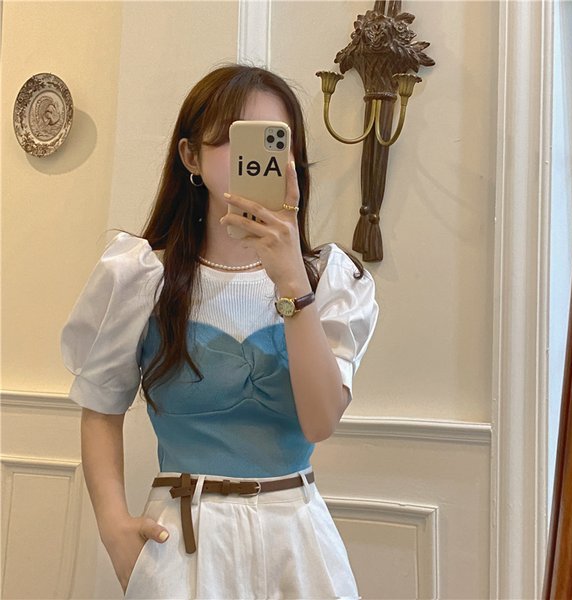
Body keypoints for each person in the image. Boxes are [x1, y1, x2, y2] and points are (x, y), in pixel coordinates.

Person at [60, 64, 379, 600]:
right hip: (185, 541)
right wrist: (114, 529)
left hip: (298, 543)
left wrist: (291, 282)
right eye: (234, 138)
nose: (255, 158)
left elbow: (321, 421)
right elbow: (100, 408)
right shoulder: (142, 277)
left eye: (273, 140)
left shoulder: (329, 281)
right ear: (191, 156)